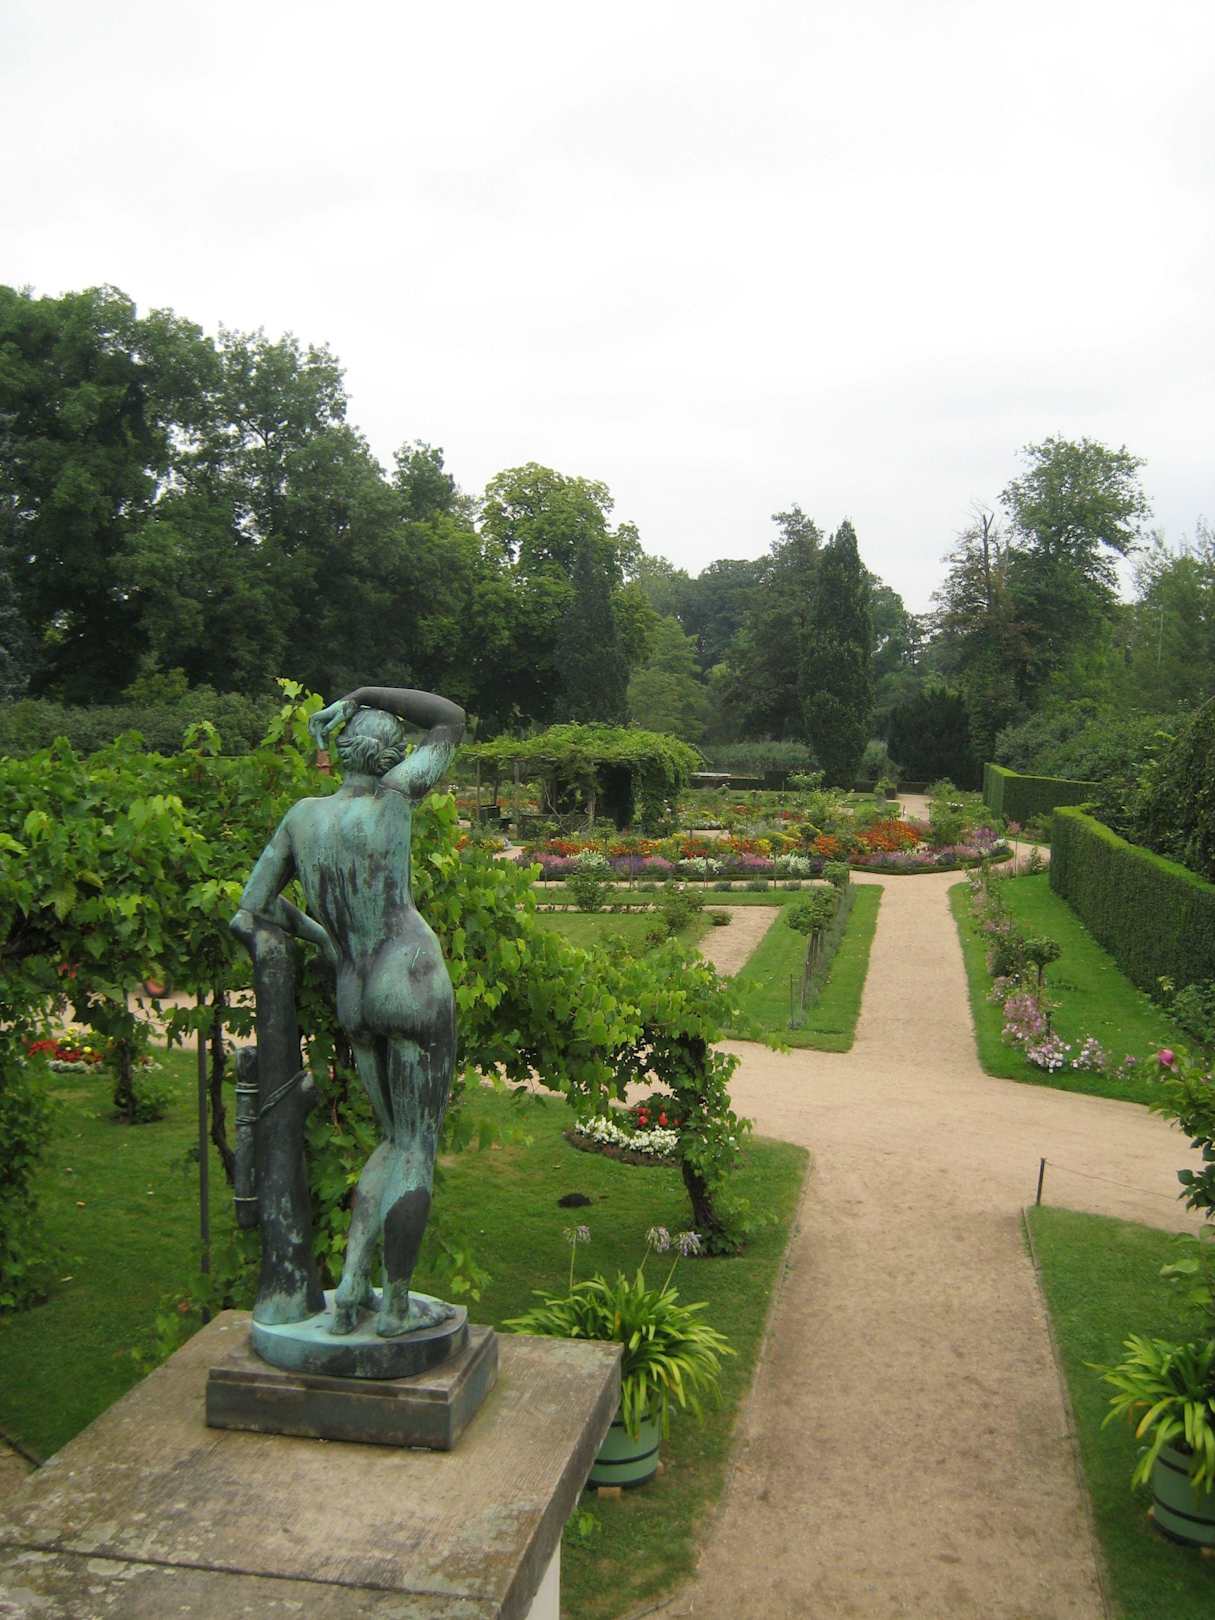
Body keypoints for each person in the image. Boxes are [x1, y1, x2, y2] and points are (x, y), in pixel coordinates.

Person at [232, 686, 465, 1338]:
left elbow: (251, 909)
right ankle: (395, 1307)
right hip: (410, 979)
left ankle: (354, 1286)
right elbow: (450, 719)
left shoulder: (303, 817)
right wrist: (361, 695)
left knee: (391, 1140)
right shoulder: (394, 796)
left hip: (355, 990)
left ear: (341, 753)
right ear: (390, 757)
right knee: (415, 1147)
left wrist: (325, 938)